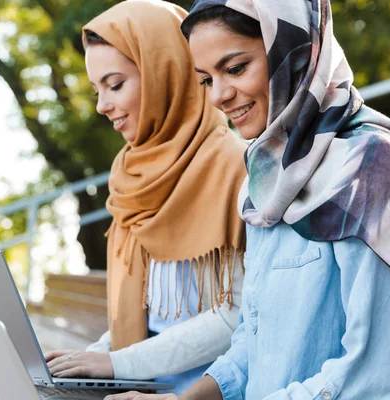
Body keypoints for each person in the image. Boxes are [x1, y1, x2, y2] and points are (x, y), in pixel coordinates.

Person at [105, 0, 390, 399]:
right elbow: (254, 340)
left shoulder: (369, 165)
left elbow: (373, 374)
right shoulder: (265, 177)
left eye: (235, 69)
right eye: (205, 79)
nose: (218, 95)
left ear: (294, 51)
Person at [45, 0, 248, 394]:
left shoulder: (234, 164)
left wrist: (116, 363)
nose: (103, 106)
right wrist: (89, 358)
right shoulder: (130, 174)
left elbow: (237, 316)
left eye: (115, 84)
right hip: (135, 382)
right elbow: (146, 314)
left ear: (163, 74)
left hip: (199, 391)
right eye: (96, 89)